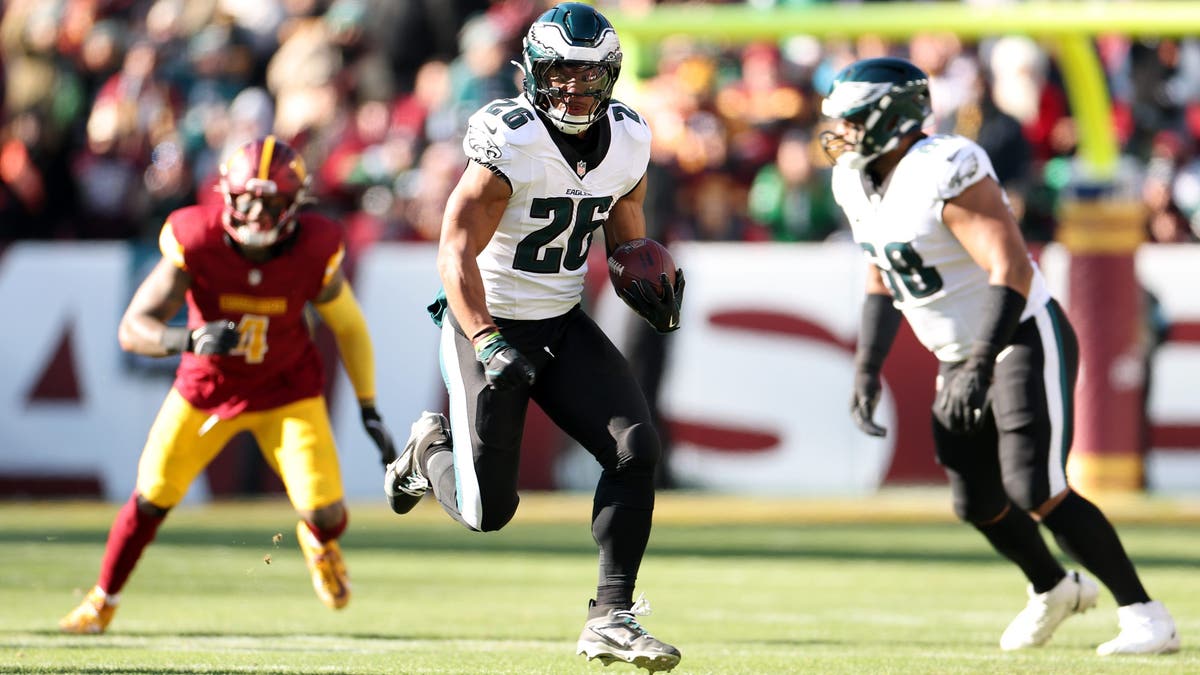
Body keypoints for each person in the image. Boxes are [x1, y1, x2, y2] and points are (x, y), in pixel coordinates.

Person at [824, 57, 1181, 656]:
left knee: (1035, 484)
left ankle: (1146, 614)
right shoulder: (851, 179)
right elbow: (881, 274)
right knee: (976, 499)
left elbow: (1009, 267)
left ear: (894, 116)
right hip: (960, 352)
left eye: (854, 120)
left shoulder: (946, 166)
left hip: (1017, 335)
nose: (842, 132)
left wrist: (982, 361)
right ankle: (1053, 587)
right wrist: (866, 367)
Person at [383, 4, 683, 672]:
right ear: (532, 74)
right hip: (485, 318)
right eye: (559, 74)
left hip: (561, 317)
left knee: (636, 447)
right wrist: (487, 340)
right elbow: (455, 252)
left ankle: (611, 615)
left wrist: (646, 276)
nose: (573, 89)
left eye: (587, 75)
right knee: (489, 511)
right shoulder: (510, 138)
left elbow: (625, 232)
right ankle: (428, 447)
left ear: (610, 76)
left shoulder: (630, 136)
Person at [59, 135, 397, 634]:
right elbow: (134, 328)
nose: (259, 214)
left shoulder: (315, 247)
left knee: (327, 514)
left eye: (272, 202)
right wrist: (187, 338)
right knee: (151, 497)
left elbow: (348, 325)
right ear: (228, 195)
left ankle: (318, 541)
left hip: (287, 391)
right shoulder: (196, 238)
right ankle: (101, 601)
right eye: (249, 199)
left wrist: (368, 405)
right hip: (207, 391)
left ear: (294, 204)